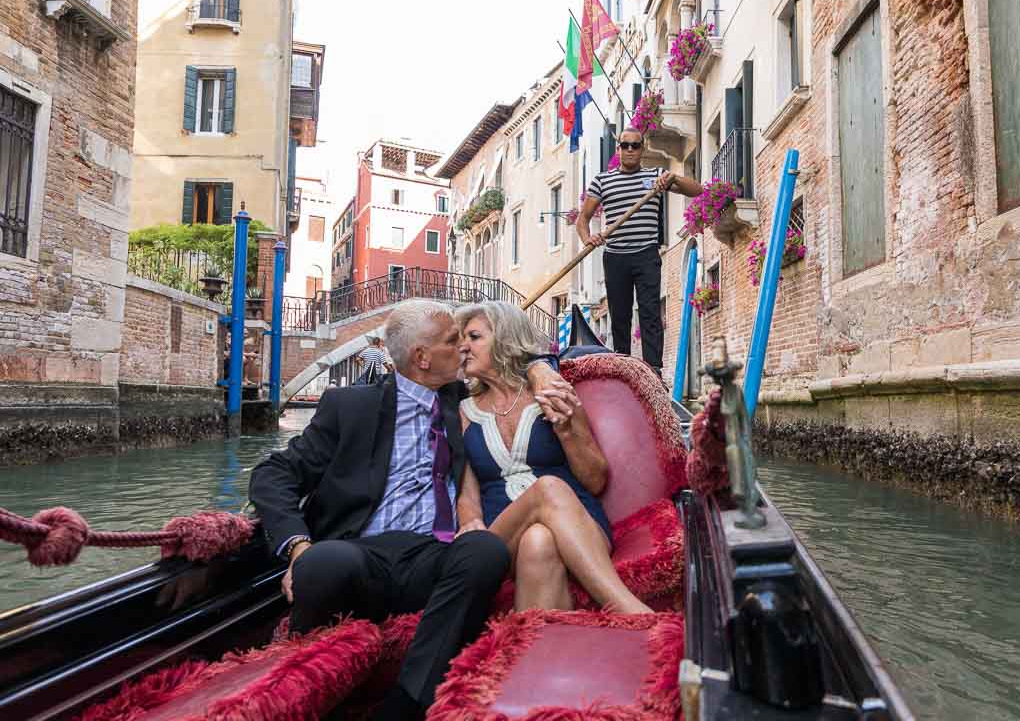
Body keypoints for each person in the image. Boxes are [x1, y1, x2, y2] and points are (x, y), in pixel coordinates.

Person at [248, 299, 579, 719]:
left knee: (484, 550)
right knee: (322, 562)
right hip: (360, 554)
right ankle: (302, 692)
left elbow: (522, 354)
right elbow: (272, 474)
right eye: (451, 340)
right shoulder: (349, 406)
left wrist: (540, 367)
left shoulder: (462, 400)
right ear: (421, 357)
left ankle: (406, 703)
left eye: (464, 338)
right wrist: (298, 547)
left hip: (429, 555)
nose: (463, 348)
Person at [454, 301, 652, 614]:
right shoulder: (462, 411)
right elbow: (467, 494)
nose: (462, 346)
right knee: (547, 489)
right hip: (502, 534)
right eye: (461, 338)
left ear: (506, 338)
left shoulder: (554, 392)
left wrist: (567, 431)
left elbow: (596, 480)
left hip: (578, 524)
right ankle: (627, 609)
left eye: (474, 336)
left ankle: (533, 653)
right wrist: (470, 523)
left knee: (539, 542)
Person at [576, 127, 702, 379]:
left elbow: (696, 190)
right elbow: (583, 218)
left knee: (650, 313)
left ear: (642, 149)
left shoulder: (656, 176)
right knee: (619, 316)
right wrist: (588, 238)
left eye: (635, 145)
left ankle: (653, 372)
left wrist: (673, 179)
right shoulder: (602, 181)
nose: (630, 150)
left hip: (646, 254)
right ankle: (624, 371)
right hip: (615, 256)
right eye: (626, 145)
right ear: (618, 149)